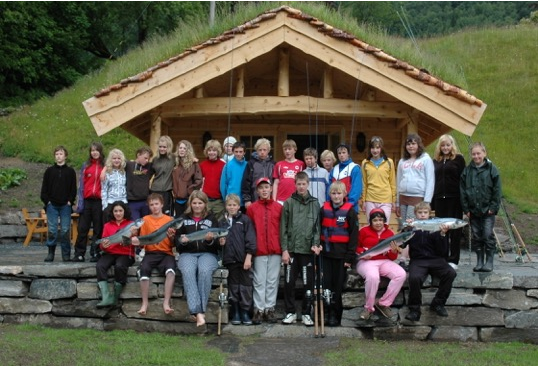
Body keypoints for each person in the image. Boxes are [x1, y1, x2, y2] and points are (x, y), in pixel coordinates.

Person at [280, 172, 321, 326]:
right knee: (289, 282)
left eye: (304, 184)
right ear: (295, 184)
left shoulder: (315, 203)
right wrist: (284, 249)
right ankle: (290, 312)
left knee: (308, 283)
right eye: (299, 184)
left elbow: (317, 227)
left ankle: (306, 313)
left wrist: (316, 244)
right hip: (291, 250)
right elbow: (283, 227)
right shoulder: (289, 202)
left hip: (307, 251)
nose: (301, 186)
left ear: (308, 184)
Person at [405, 202, 457, 321]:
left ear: (429, 214)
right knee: (414, 278)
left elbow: (443, 251)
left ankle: (438, 303)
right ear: (415, 214)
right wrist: (406, 229)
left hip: (436, 259)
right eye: (420, 212)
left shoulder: (437, 226)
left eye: (425, 213)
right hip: (418, 260)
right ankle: (414, 309)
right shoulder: (411, 226)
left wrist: (442, 234)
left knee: (451, 273)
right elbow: (402, 244)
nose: (423, 215)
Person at [175, 190, 220, 327]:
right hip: (187, 253)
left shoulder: (212, 219)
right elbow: (176, 243)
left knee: (204, 270)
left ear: (205, 204)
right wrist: (181, 241)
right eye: (194, 203)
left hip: (208, 254)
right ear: (190, 204)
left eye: (200, 203)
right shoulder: (183, 218)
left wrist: (209, 241)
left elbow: (217, 243)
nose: (197, 206)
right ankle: (198, 312)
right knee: (188, 271)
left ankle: (199, 311)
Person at [355, 208, 406, 320]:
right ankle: (368, 308)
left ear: (384, 221)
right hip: (366, 261)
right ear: (371, 221)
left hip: (384, 261)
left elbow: (392, 258)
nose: (378, 223)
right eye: (375, 220)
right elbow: (356, 246)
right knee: (373, 277)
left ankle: (384, 303)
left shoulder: (390, 233)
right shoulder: (363, 231)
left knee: (401, 274)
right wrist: (362, 253)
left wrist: (394, 251)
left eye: (380, 220)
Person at [131, 193, 176, 315]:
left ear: (162, 204)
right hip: (150, 253)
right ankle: (144, 303)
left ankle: (166, 302)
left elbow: (173, 244)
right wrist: (134, 237)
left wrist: (172, 238)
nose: (154, 207)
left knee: (171, 271)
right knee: (143, 271)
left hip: (166, 253)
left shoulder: (170, 220)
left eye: (156, 204)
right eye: (151, 205)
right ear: (148, 206)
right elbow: (142, 242)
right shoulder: (145, 220)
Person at [320, 181, 358, 326]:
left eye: (339, 193)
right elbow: (318, 230)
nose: (336, 196)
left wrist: (350, 256)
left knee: (337, 286)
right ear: (330, 194)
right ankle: (328, 312)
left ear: (344, 194)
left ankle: (336, 314)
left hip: (342, 256)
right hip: (326, 255)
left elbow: (354, 236)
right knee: (327, 285)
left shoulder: (350, 211)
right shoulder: (323, 209)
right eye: (333, 193)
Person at [460, 142, 502, 272]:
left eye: (478, 153)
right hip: (473, 211)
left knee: (487, 235)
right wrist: (466, 209)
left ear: (484, 153)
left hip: (488, 210)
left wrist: (493, 207)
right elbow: (462, 190)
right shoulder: (467, 171)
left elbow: (497, 190)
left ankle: (489, 261)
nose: (476, 156)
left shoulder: (492, 169)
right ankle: (479, 261)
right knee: (476, 236)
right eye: (474, 154)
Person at [247, 177, 283, 324]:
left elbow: (282, 228)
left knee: (272, 281)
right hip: (259, 249)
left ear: (270, 189)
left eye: (266, 187)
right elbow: (249, 230)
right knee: (259, 281)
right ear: (257, 191)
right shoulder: (252, 208)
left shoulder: (279, 207)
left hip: (275, 249)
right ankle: (258, 309)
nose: (264, 190)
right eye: (261, 188)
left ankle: (270, 308)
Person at [396, 134, 434, 268]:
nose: (411, 146)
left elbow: (430, 180)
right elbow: (398, 180)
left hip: (417, 197)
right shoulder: (402, 161)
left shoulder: (425, 159)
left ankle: (404, 257)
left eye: (413, 143)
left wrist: (427, 201)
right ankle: (404, 255)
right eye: (408, 144)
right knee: (404, 227)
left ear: (418, 145)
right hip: (403, 197)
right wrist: (397, 202)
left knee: (412, 227)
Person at [219, 194, 257, 325]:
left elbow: (251, 239)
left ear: (238, 206)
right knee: (233, 286)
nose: (232, 207)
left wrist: (249, 256)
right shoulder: (222, 222)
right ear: (226, 206)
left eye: (234, 205)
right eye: (229, 205)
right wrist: (221, 242)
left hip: (243, 259)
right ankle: (235, 311)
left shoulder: (245, 220)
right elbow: (218, 240)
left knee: (245, 286)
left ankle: (245, 311)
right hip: (230, 259)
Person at [432, 134, 466, 270]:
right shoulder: (436, 161)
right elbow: (433, 181)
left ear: (452, 146)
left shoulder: (459, 159)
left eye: (448, 145)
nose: (445, 147)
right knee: (442, 229)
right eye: (443, 145)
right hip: (440, 199)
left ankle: (454, 259)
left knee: (455, 230)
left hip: (455, 198)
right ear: (439, 147)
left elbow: (464, 180)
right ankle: (443, 256)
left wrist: (464, 200)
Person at [95, 201, 135, 308]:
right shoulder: (107, 225)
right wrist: (104, 246)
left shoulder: (131, 224)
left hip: (126, 253)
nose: (118, 213)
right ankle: (106, 297)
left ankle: (115, 297)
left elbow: (135, 241)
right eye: (115, 211)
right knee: (100, 265)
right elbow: (102, 245)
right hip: (110, 252)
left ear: (124, 211)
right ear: (112, 212)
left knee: (120, 266)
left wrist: (133, 234)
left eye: (120, 211)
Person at [40, 145, 77, 262]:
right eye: (56, 154)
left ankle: (66, 255)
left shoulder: (70, 171)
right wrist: (48, 201)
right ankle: (50, 253)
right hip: (52, 206)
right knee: (52, 230)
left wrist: (70, 201)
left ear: (65, 156)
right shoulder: (49, 171)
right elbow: (44, 189)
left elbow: (73, 189)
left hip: (65, 206)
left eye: (61, 154)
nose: (58, 156)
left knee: (65, 230)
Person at [73, 142, 105, 262]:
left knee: (98, 228)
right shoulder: (86, 165)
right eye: (92, 150)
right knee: (83, 228)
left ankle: (95, 252)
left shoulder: (105, 166)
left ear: (100, 151)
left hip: (99, 201)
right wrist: (79, 201)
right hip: (87, 201)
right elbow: (81, 185)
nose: (94, 152)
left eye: (96, 150)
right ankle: (79, 253)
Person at [361, 136, 396, 221]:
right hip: (370, 199)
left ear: (381, 148)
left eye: (377, 147)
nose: (375, 150)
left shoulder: (389, 162)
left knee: (384, 226)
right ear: (369, 149)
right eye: (372, 147)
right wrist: (363, 201)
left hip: (386, 199)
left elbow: (392, 182)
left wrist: (394, 200)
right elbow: (364, 183)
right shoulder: (365, 163)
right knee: (371, 226)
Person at [241, 138, 275, 209]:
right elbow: (246, 182)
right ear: (256, 150)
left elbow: (276, 182)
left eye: (264, 150)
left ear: (268, 150)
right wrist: (247, 199)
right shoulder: (251, 163)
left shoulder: (273, 164)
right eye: (260, 150)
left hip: (270, 197)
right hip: (255, 197)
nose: (262, 152)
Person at [172, 140, 202, 218]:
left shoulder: (194, 164)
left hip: (188, 199)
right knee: (178, 221)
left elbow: (198, 180)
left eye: (184, 148)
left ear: (188, 150)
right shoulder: (175, 163)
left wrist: (189, 191)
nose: (182, 150)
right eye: (180, 148)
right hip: (177, 199)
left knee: (188, 220)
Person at [328, 143, 362, 213]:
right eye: (339, 153)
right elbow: (329, 187)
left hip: (350, 206)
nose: (341, 155)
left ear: (348, 154)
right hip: (334, 206)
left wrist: (350, 203)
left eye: (344, 152)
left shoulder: (355, 168)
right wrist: (329, 202)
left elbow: (356, 188)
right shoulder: (334, 169)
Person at [272, 139, 305, 204]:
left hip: (296, 199)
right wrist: (274, 199)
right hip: (281, 199)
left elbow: (304, 182)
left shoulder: (301, 164)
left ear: (295, 150)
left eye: (289, 149)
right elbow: (276, 183)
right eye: (285, 149)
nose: (287, 151)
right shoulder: (279, 164)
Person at [126, 146, 155, 220]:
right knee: (135, 225)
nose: (147, 160)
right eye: (145, 158)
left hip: (145, 201)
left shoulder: (149, 166)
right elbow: (114, 161)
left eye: (148, 159)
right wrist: (104, 170)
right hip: (132, 201)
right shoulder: (128, 165)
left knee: (145, 224)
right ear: (138, 155)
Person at [200, 139, 226, 220]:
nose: (212, 152)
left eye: (214, 150)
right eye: (209, 150)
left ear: (218, 152)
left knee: (218, 223)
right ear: (206, 152)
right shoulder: (202, 165)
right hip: (206, 200)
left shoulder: (223, 165)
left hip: (219, 201)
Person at [150, 136, 175, 216]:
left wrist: (193, 159)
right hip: (155, 190)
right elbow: (149, 173)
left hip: (167, 191)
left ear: (169, 147)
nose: (162, 149)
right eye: (160, 147)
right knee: (155, 213)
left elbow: (185, 159)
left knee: (166, 215)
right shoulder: (155, 159)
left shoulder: (174, 158)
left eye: (164, 147)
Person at [101, 148, 127, 221]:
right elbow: (104, 189)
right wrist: (104, 206)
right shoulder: (107, 172)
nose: (116, 160)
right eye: (114, 158)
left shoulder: (125, 171)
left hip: (123, 202)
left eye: (119, 158)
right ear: (110, 160)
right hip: (110, 203)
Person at [221, 141, 248, 211]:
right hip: (232, 202)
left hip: (245, 201)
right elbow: (223, 185)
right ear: (233, 152)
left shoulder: (247, 165)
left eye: (240, 152)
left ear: (244, 152)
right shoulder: (228, 166)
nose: (238, 154)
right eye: (236, 151)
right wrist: (226, 200)